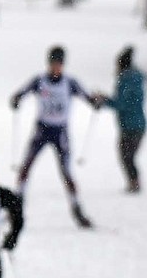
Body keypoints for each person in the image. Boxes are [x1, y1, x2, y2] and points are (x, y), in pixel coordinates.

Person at [10, 46, 101, 228]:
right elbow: (20, 93)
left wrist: (95, 102)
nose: (56, 68)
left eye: (59, 64)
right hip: (41, 130)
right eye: (53, 64)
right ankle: (16, 209)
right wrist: (16, 100)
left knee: (67, 173)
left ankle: (77, 210)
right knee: (26, 168)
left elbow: (87, 97)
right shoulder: (39, 81)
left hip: (60, 132)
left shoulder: (70, 82)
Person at [94, 46, 146, 193]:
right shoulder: (136, 79)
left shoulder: (126, 80)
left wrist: (103, 100)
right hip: (138, 124)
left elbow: (121, 103)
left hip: (130, 125)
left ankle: (134, 183)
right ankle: (134, 182)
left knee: (126, 155)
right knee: (128, 155)